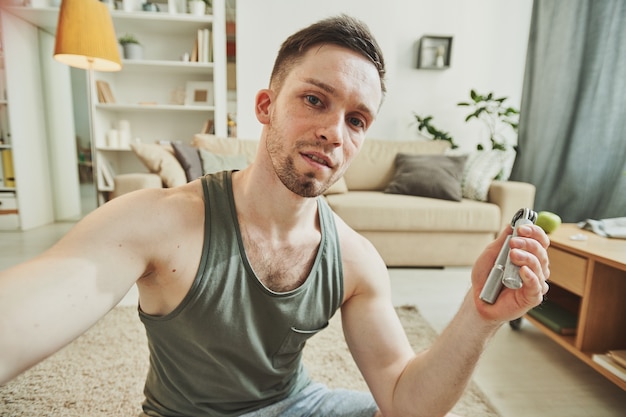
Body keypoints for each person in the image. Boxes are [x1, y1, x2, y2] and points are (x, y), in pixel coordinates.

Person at [0, 14, 550, 417]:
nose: (335, 131)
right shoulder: (161, 221)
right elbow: (29, 309)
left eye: (357, 120)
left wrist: (481, 317)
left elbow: (407, 402)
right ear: (265, 107)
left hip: (299, 405)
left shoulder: (356, 259)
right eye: (315, 100)